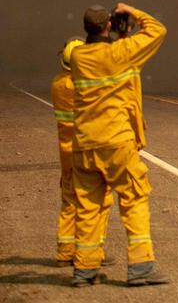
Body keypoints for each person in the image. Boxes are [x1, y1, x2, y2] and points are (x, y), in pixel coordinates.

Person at [70, 3, 168, 288]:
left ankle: (84, 270)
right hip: (116, 141)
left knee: (88, 207)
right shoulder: (121, 53)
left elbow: (105, 58)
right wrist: (131, 11)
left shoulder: (77, 57)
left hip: (85, 144)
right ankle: (140, 267)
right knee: (134, 198)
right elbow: (157, 30)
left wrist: (119, 35)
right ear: (109, 25)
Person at [51, 39, 112, 266]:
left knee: (69, 199)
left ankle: (65, 251)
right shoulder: (87, 85)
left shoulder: (58, 84)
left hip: (66, 152)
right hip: (88, 150)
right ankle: (92, 251)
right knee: (99, 201)